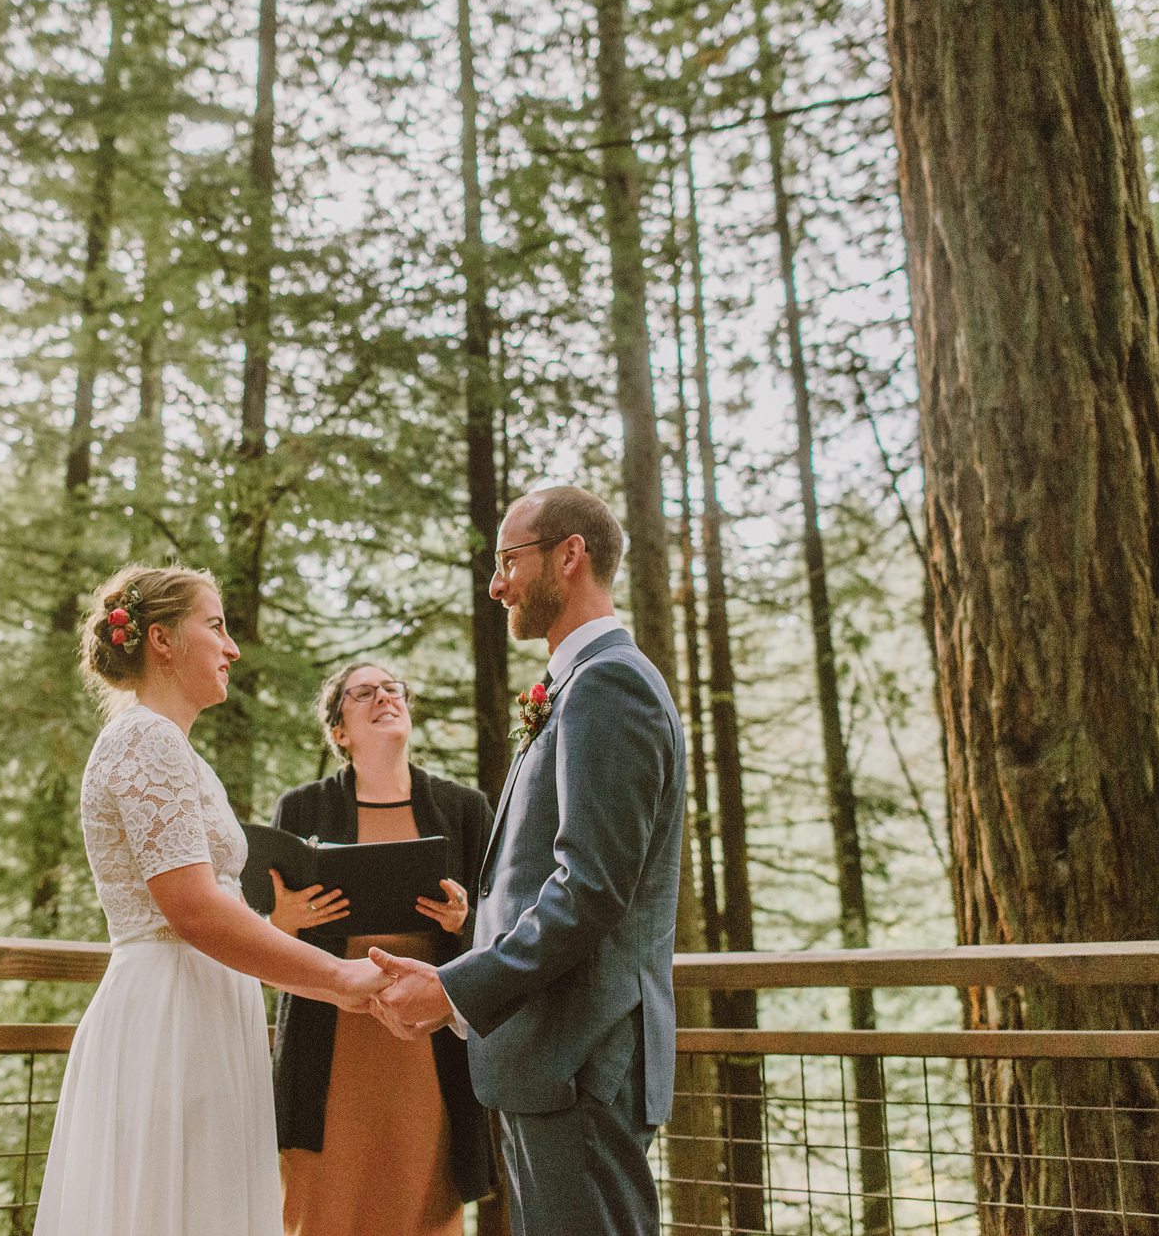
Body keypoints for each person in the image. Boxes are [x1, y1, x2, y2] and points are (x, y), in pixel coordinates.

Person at [34, 565, 392, 1236]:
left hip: (199, 1002)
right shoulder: (147, 738)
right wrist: (339, 979)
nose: (232, 648)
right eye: (217, 625)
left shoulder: (172, 747)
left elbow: (197, 898)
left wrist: (267, 925)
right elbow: (192, 910)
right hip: (170, 1017)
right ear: (163, 640)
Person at [368, 487, 686, 1236]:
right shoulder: (576, 684)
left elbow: (590, 891)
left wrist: (454, 987)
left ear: (568, 555)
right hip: (550, 1059)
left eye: (508, 560)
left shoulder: (610, 683)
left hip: (581, 1060)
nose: (496, 583)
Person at [266, 662, 495, 1236]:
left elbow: (505, 931)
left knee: (425, 1209)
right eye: (362, 693)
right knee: (322, 1211)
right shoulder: (302, 810)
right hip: (330, 1040)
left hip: (425, 1044)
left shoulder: (465, 809)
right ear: (338, 731)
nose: (383, 697)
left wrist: (465, 921)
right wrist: (283, 918)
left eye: (393, 689)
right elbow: (264, 936)